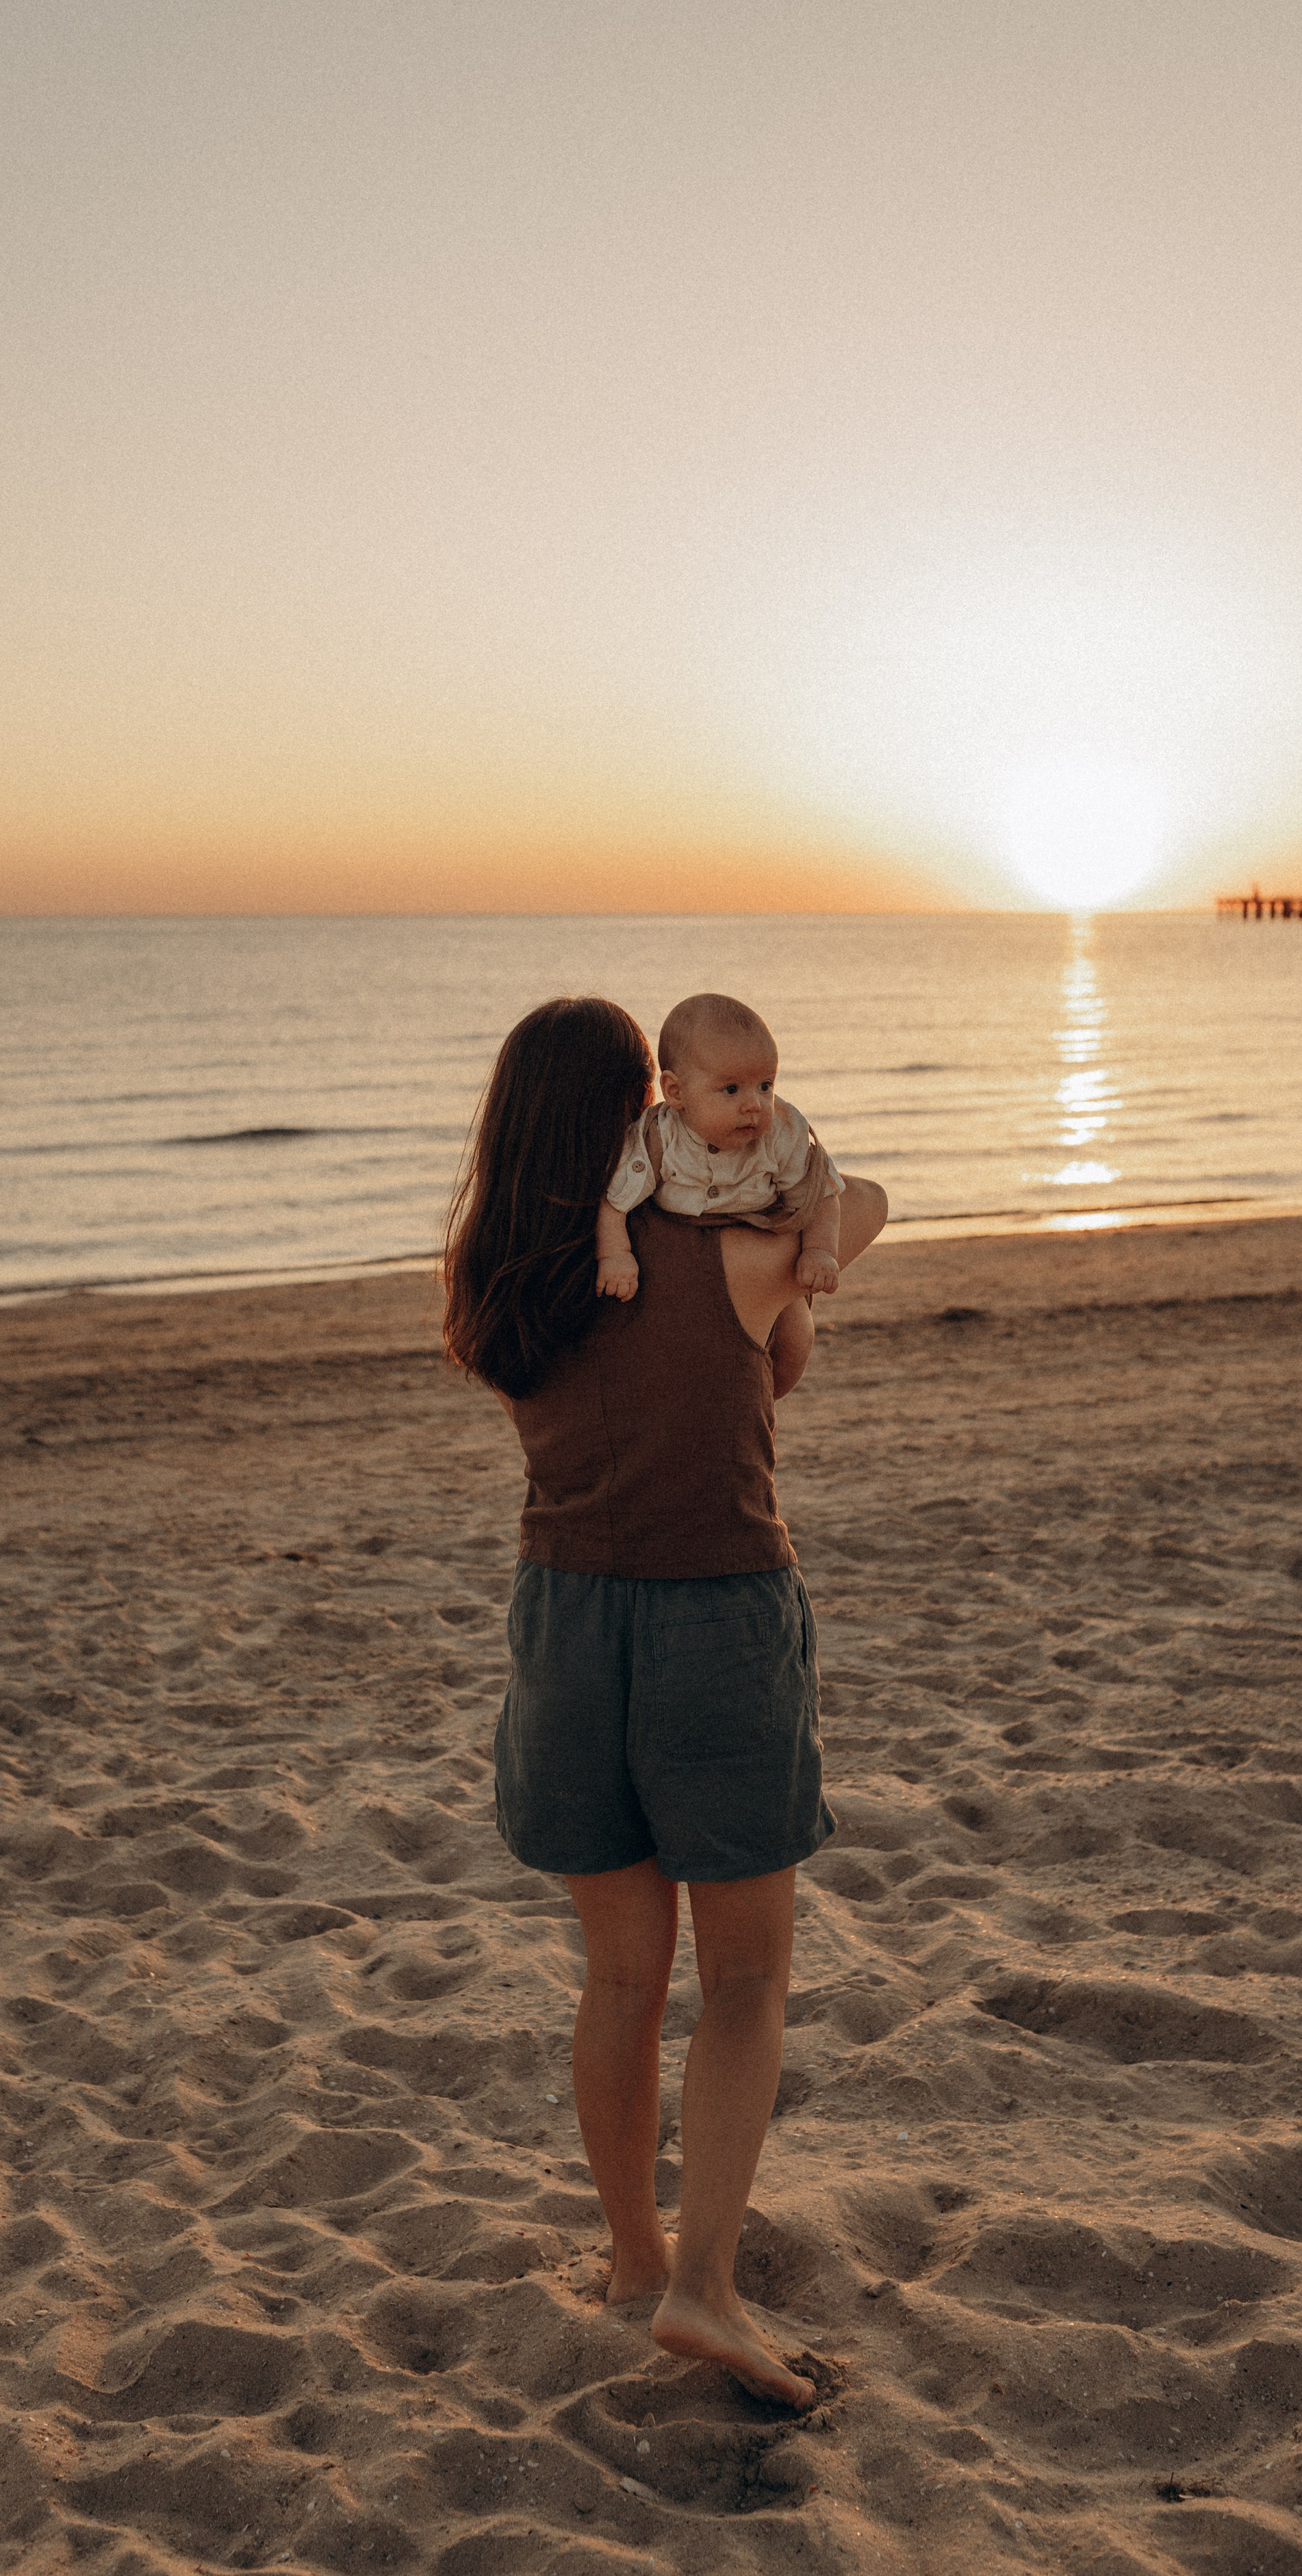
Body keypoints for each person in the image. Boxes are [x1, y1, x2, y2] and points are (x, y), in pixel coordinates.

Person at [444, 994, 888, 2411]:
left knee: (619, 1979)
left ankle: (633, 2256)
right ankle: (701, 2289)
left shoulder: (497, 1279)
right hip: (715, 1617)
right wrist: (781, 1191)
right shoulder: (732, 1256)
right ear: (639, 1110)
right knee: (744, 1980)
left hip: (566, 1627)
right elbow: (860, 1210)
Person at [593, 991, 844, 1304]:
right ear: (675, 1091)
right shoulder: (659, 1136)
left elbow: (820, 1197)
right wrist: (616, 1256)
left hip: (762, 1240)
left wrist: (820, 1251)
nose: (754, 1104)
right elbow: (615, 1201)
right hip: (682, 1247)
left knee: (796, 1333)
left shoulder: (781, 1133)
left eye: (766, 1085)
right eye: (731, 1089)